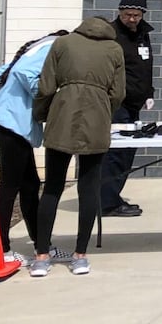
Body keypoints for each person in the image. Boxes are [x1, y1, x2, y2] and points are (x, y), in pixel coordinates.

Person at [30, 16, 124, 277]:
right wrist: (104, 109)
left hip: (63, 112)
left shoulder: (63, 43)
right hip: (97, 115)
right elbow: (118, 93)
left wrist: (41, 113)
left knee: (52, 187)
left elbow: (46, 85)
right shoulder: (114, 49)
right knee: (89, 187)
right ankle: (80, 255)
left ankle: (41, 256)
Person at [0, 30, 73, 265]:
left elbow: (0, 73)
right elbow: (24, 73)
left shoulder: (36, 49)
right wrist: (48, 95)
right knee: (9, 188)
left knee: (30, 186)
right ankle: (1, 250)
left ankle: (42, 245)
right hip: (11, 125)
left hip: (9, 124)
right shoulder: (53, 47)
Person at [101, 0, 154, 218]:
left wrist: (148, 92)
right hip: (117, 104)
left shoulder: (143, 34)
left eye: (136, 15)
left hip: (134, 104)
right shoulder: (111, 35)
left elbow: (144, 66)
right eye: (127, 14)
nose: (131, 19)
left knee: (127, 153)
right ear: (119, 11)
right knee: (115, 153)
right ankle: (107, 202)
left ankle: (112, 196)